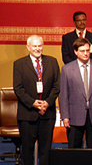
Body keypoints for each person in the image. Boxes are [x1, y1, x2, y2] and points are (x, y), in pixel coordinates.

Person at [13, 35, 60, 165]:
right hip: (27, 115)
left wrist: (47, 102)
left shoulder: (52, 62)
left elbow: (57, 86)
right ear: (28, 47)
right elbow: (18, 88)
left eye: (39, 46)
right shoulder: (19, 64)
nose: (37, 49)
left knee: (45, 151)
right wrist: (33, 103)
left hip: (47, 114)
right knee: (27, 152)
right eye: (34, 46)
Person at [59, 38, 92, 148]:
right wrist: (65, 116)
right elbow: (63, 95)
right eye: (82, 51)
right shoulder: (67, 70)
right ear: (75, 52)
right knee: (74, 151)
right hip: (74, 116)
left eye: (88, 50)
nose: (86, 53)